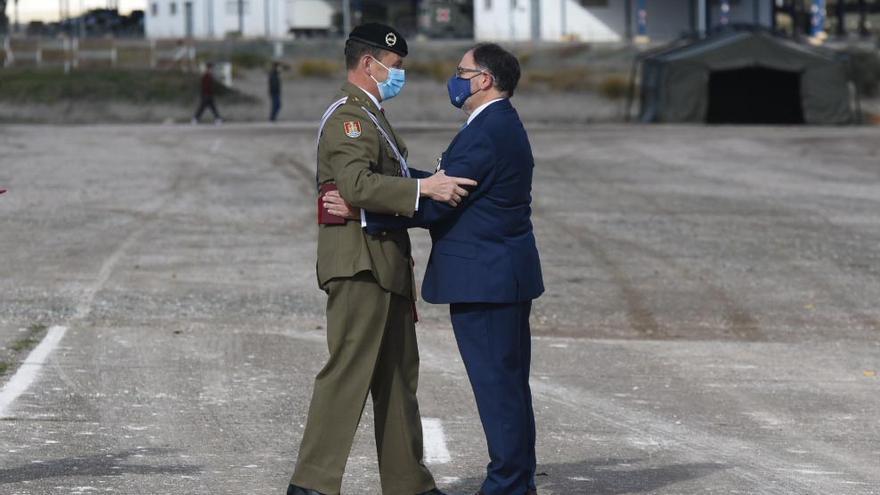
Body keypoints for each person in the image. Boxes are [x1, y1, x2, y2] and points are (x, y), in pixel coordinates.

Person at [325, 43, 544, 495]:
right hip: (501, 275)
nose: (455, 77)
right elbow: (440, 187)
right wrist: (412, 183)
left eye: (461, 71)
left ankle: (507, 486)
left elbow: (445, 201)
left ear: (483, 79)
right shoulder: (496, 124)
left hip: (486, 282)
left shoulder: (487, 131)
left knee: (498, 390)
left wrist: (363, 209)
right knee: (509, 387)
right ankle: (515, 482)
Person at [287, 23, 477, 495]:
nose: (399, 76)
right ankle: (311, 483)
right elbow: (353, 185)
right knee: (349, 370)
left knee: (396, 375)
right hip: (358, 264)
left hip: (384, 263)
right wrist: (421, 189)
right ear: (367, 65)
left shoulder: (372, 117)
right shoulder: (347, 118)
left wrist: (423, 187)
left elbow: (375, 186)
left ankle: (408, 482)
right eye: (393, 68)